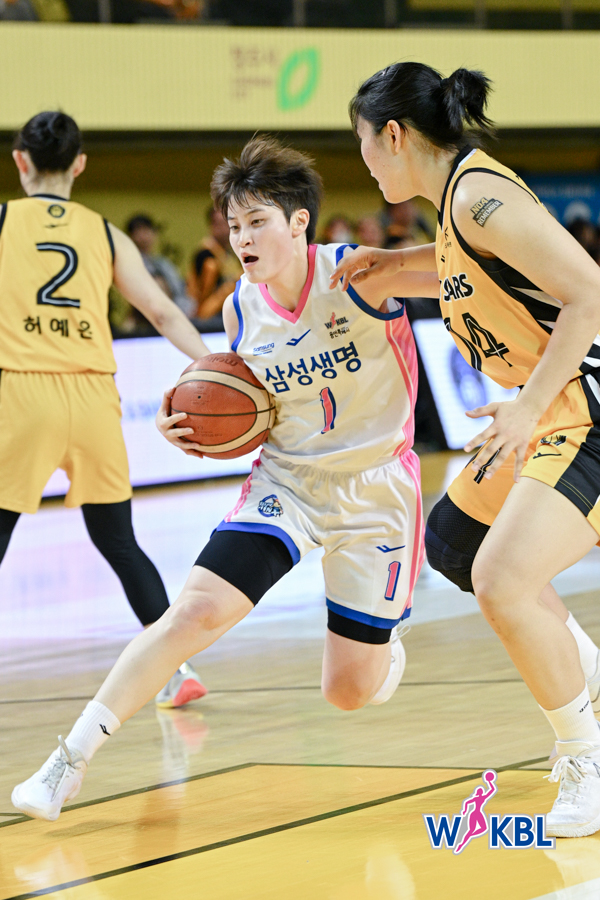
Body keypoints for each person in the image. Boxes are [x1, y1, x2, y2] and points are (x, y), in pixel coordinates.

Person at [11, 135, 435, 822]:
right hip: (287, 483)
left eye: (257, 221)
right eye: (234, 225)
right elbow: (246, 403)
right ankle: (68, 762)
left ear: (299, 222)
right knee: (192, 614)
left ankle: (383, 651)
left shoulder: (359, 274)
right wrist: (182, 419)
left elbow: (465, 272)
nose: (242, 238)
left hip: (375, 488)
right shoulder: (242, 306)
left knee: (348, 692)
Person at [330, 62, 600, 838]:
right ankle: (582, 678)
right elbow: (458, 269)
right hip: (553, 409)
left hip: (583, 406)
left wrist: (529, 406)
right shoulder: (458, 206)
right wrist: (390, 268)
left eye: (363, 144)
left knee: (503, 579)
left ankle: (585, 756)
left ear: (393, 135)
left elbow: (589, 292)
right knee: (453, 541)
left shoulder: (480, 198)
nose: (364, 163)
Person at [1, 111, 209, 709]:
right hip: (94, 397)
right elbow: (162, 312)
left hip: (23, 393)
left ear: (20, 161)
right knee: (119, 542)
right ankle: (176, 670)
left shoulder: (3, 220)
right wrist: (217, 365)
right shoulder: (105, 233)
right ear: (80, 165)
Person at [126, 213, 195, 322]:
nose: (144, 237)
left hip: (173, 316)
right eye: (139, 231)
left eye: (147, 231)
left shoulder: (162, 263)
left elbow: (180, 291)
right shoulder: (128, 264)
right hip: (146, 319)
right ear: (130, 237)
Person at [187, 206, 242, 325]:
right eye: (221, 224)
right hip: (210, 317)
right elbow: (203, 297)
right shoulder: (206, 256)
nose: (226, 229)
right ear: (212, 225)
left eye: (229, 224)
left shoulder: (229, 253)